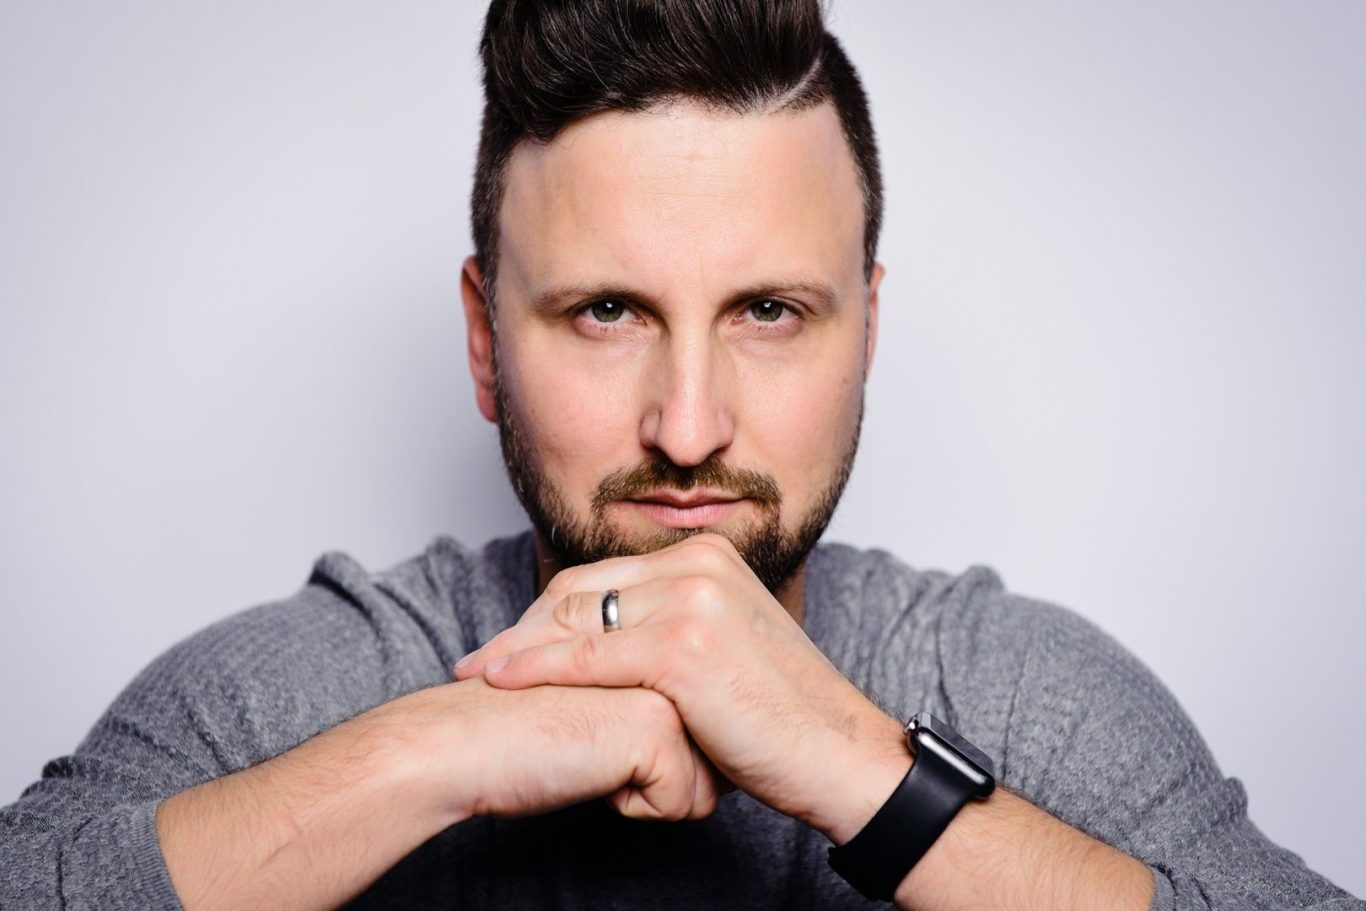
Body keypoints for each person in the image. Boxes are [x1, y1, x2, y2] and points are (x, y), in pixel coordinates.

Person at [1, 2, 1361, 909]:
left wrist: (867, 772)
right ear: (484, 342)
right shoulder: (312, 684)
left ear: (867, 329)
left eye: (769, 312)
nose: (690, 428)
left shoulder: (1012, 693)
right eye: (605, 312)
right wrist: (432, 754)